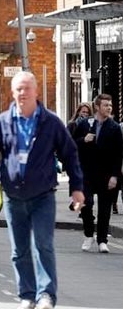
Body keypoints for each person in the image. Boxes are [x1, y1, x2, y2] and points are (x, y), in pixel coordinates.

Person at [0, 71, 85, 309]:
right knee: (19, 250)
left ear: (36, 91)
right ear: (13, 93)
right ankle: (27, 295)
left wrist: (77, 188)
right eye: (18, 89)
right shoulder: (2, 122)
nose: (23, 93)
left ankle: (46, 296)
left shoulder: (51, 122)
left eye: (27, 88)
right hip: (13, 196)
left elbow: (70, 153)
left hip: (43, 195)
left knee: (43, 245)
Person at [72, 94, 121, 253]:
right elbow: (71, 145)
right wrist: (83, 140)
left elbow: (118, 154)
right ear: (98, 107)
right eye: (106, 105)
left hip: (106, 174)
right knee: (85, 203)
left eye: (110, 105)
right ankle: (88, 234)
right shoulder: (85, 125)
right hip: (86, 172)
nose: (109, 108)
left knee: (105, 208)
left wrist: (115, 176)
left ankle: (102, 240)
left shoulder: (114, 128)